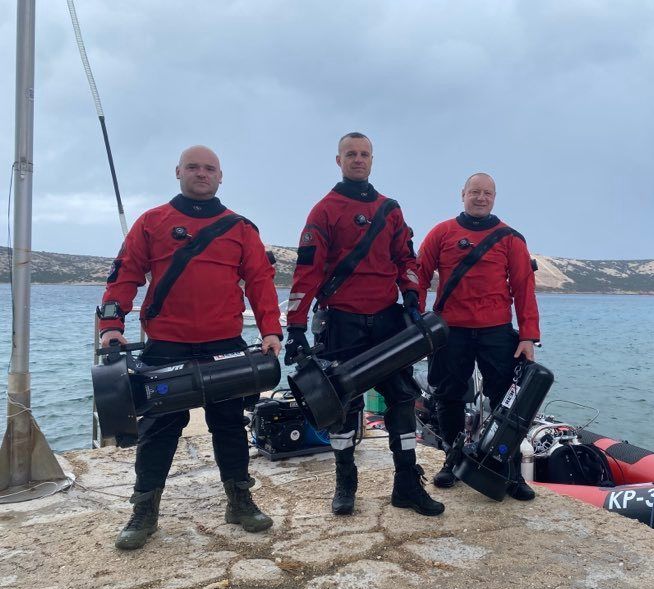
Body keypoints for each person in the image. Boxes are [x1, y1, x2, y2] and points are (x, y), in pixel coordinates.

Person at [98, 145, 282, 550]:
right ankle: (144, 510)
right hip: (167, 345)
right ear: (178, 172)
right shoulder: (152, 222)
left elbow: (260, 282)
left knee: (229, 425)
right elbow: (125, 274)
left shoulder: (241, 228)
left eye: (209, 168)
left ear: (220, 176)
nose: (202, 173)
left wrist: (271, 330)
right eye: (193, 167)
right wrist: (111, 326)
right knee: (158, 430)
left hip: (224, 346)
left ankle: (239, 500)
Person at [283, 132, 444, 517]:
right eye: (351, 154)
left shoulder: (390, 209)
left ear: (372, 160)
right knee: (341, 403)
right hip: (341, 323)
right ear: (338, 161)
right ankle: (345, 482)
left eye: (365, 154)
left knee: (402, 399)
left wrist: (412, 297)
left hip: (388, 322)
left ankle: (407, 484)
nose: (358, 159)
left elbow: (406, 260)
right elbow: (307, 271)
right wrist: (295, 327)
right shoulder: (324, 210)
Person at [417, 172, 540, 500]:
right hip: (450, 331)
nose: (481, 198)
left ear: (494, 198)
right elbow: (419, 275)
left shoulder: (511, 238)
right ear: (463, 194)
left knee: (506, 401)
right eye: (475, 192)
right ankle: (452, 460)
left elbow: (524, 288)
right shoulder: (442, 232)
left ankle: (510, 471)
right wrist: (416, 321)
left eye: (487, 193)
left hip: (496, 331)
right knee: (449, 396)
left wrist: (528, 336)